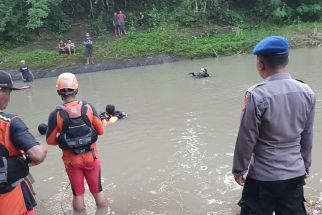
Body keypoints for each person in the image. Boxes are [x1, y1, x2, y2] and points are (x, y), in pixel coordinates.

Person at [232, 36, 316, 214]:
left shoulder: (257, 95)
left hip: (263, 176)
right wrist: (305, 166)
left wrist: (239, 169)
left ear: (261, 64)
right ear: (287, 60)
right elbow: (307, 134)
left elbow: (247, 137)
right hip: (294, 172)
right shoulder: (307, 91)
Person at [46, 72, 107, 211]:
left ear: (58, 92)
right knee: (98, 191)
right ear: (76, 89)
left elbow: (50, 141)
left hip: (71, 160)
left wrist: (65, 142)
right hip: (91, 157)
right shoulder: (88, 107)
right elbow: (101, 131)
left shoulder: (55, 114)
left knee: (78, 194)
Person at [0, 70, 47, 215]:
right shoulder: (10, 123)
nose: (9, 98)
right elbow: (38, 155)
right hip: (10, 200)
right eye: (9, 93)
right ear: (1, 92)